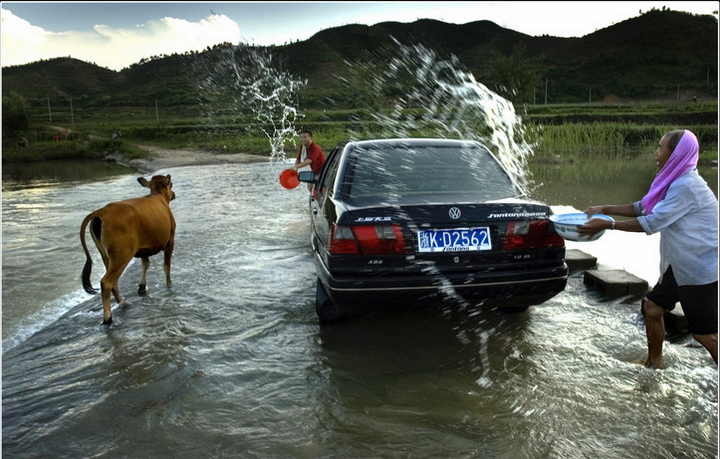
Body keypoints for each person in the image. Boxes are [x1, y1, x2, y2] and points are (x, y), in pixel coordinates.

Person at [578, 129, 718, 369]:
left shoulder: (687, 186)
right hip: (679, 264)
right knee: (652, 309)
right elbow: (644, 207)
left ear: (676, 154)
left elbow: (652, 222)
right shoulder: (673, 180)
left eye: (661, 147)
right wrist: (604, 207)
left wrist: (608, 224)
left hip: (700, 269)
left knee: (704, 335)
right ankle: (654, 363)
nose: (656, 152)